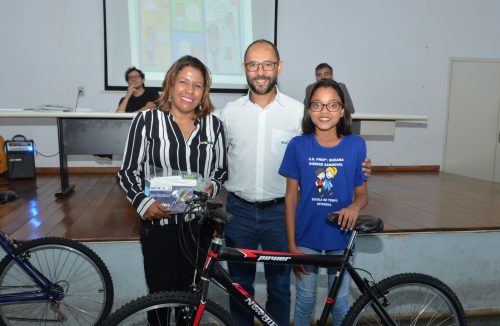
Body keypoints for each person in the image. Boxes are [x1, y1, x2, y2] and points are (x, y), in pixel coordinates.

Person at [219, 39, 372, 326]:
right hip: (238, 212)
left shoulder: (296, 111)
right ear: (244, 69)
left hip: (281, 213)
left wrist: (360, 166)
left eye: (267, 64)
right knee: (238, 286)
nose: (261, 71)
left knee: (280, 287)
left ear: (279, 67)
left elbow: (330, 148)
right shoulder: (228, 113)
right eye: (253, 64)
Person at [117, 55, 227, 323]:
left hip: (197, 227)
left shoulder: (214, 126)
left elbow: (221, 171)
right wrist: (144, 204)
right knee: (160, 297)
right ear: (170, 83)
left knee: (190, 298)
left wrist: (208, 188)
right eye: (183, 82)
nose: (190, 91)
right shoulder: (146, 121)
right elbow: (127, 171)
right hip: (159, 226)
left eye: (198, 85)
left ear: (205, 91)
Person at [280, 79, 368, 325]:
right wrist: (291, 245)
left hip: (341, 238)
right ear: (309, 110)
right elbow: (290, 198)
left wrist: (354, 207)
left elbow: (362, 194)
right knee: (304, 302)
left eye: (332, 105)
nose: (325, 111)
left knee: (340, 303)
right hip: (305, 239)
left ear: (342, 111)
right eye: (317, 105)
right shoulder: (298, 146)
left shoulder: (356, 145)